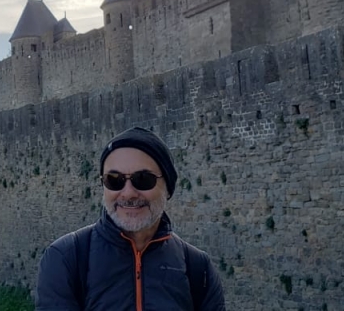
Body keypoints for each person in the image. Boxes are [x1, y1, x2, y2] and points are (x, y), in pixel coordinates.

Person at [36, 127, 225, 311]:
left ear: (167, 187)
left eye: (143, 179)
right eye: (114, 180)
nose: (128, 193)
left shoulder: (198, 268)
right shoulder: (65, 259)